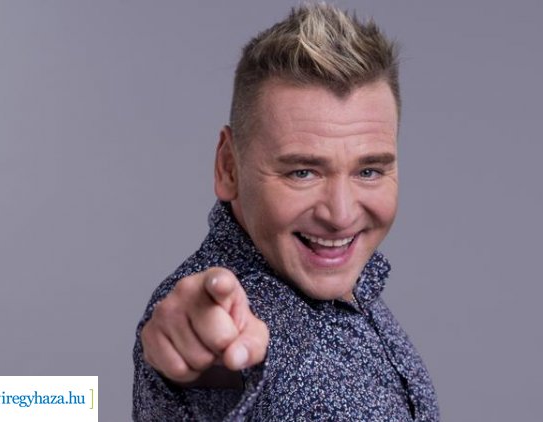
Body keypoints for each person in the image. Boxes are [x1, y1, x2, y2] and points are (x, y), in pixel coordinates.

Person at [132, 4, 440, 421]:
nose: (340, 214)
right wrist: (203, 357)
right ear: (228, 167)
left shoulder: (346, 285)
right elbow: (213, 367)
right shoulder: (226, 319)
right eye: (302, 172)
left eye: (368, 171)